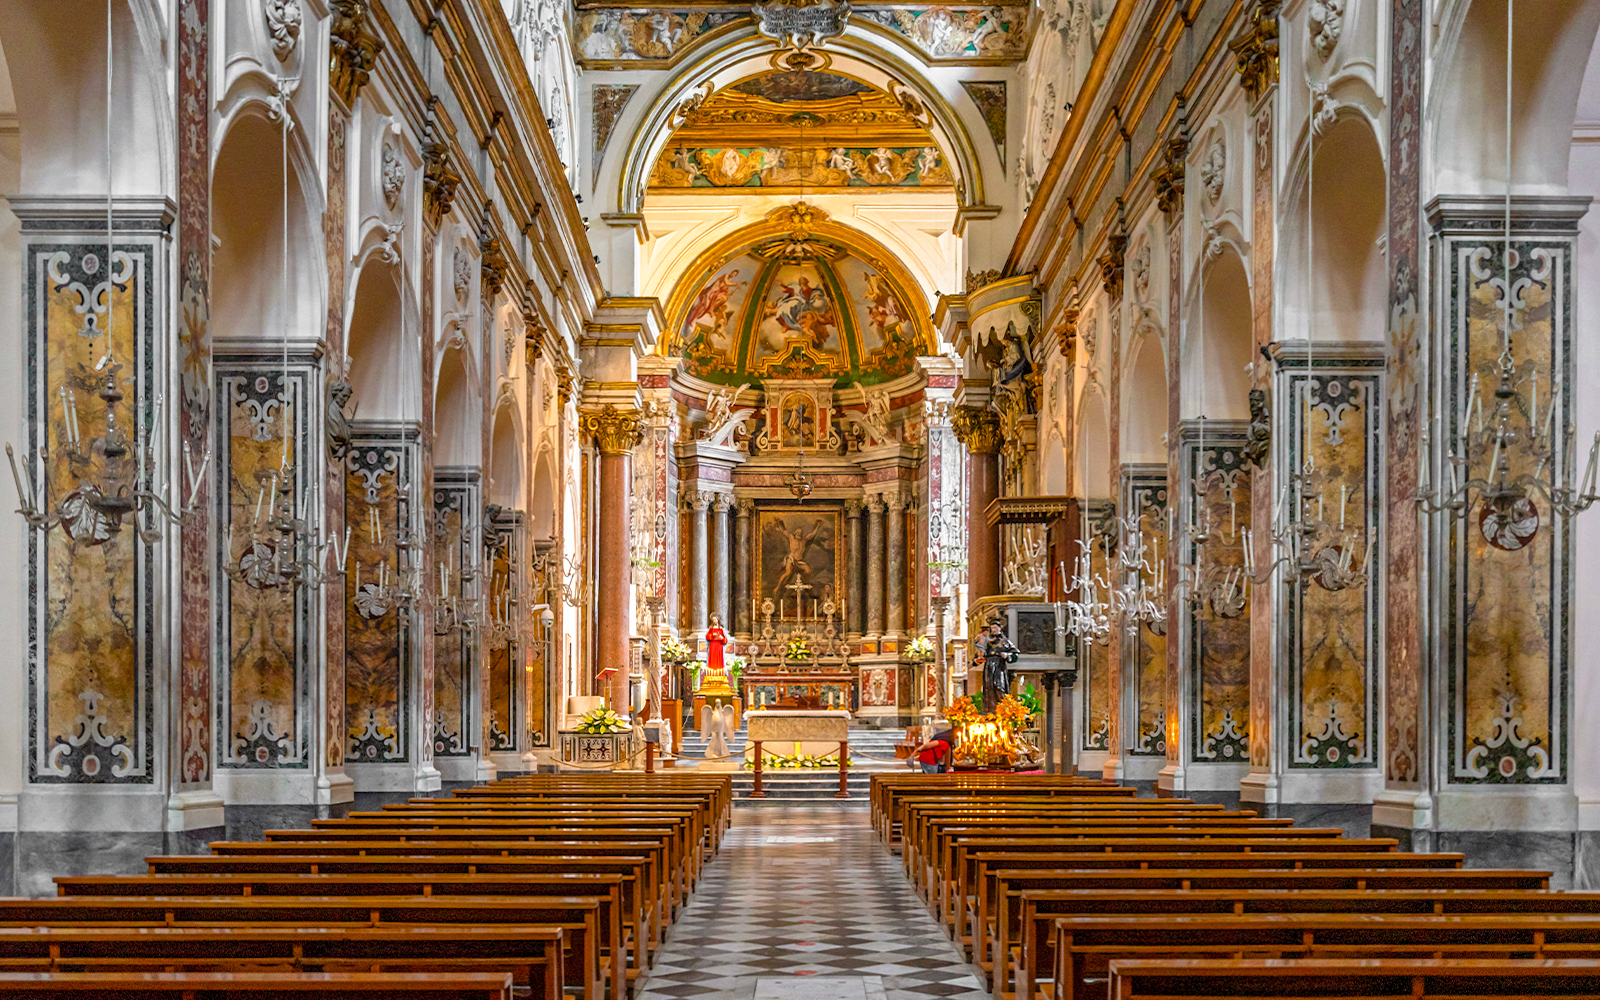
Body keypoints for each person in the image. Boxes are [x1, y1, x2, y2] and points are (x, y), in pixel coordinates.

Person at [975, 618, 1018, 709]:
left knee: (999, 687)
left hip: (999, 667)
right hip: (989, 667)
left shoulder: (1004, 641)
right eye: (991, 628)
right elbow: (980, 654)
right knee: (988, 689)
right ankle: (990, 711)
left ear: (1000, 628)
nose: (993, 630)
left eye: (995, 627)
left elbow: (1015, 654)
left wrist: (1006, 655)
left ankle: (1002, 710)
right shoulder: (989, 642)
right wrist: (977, 660)